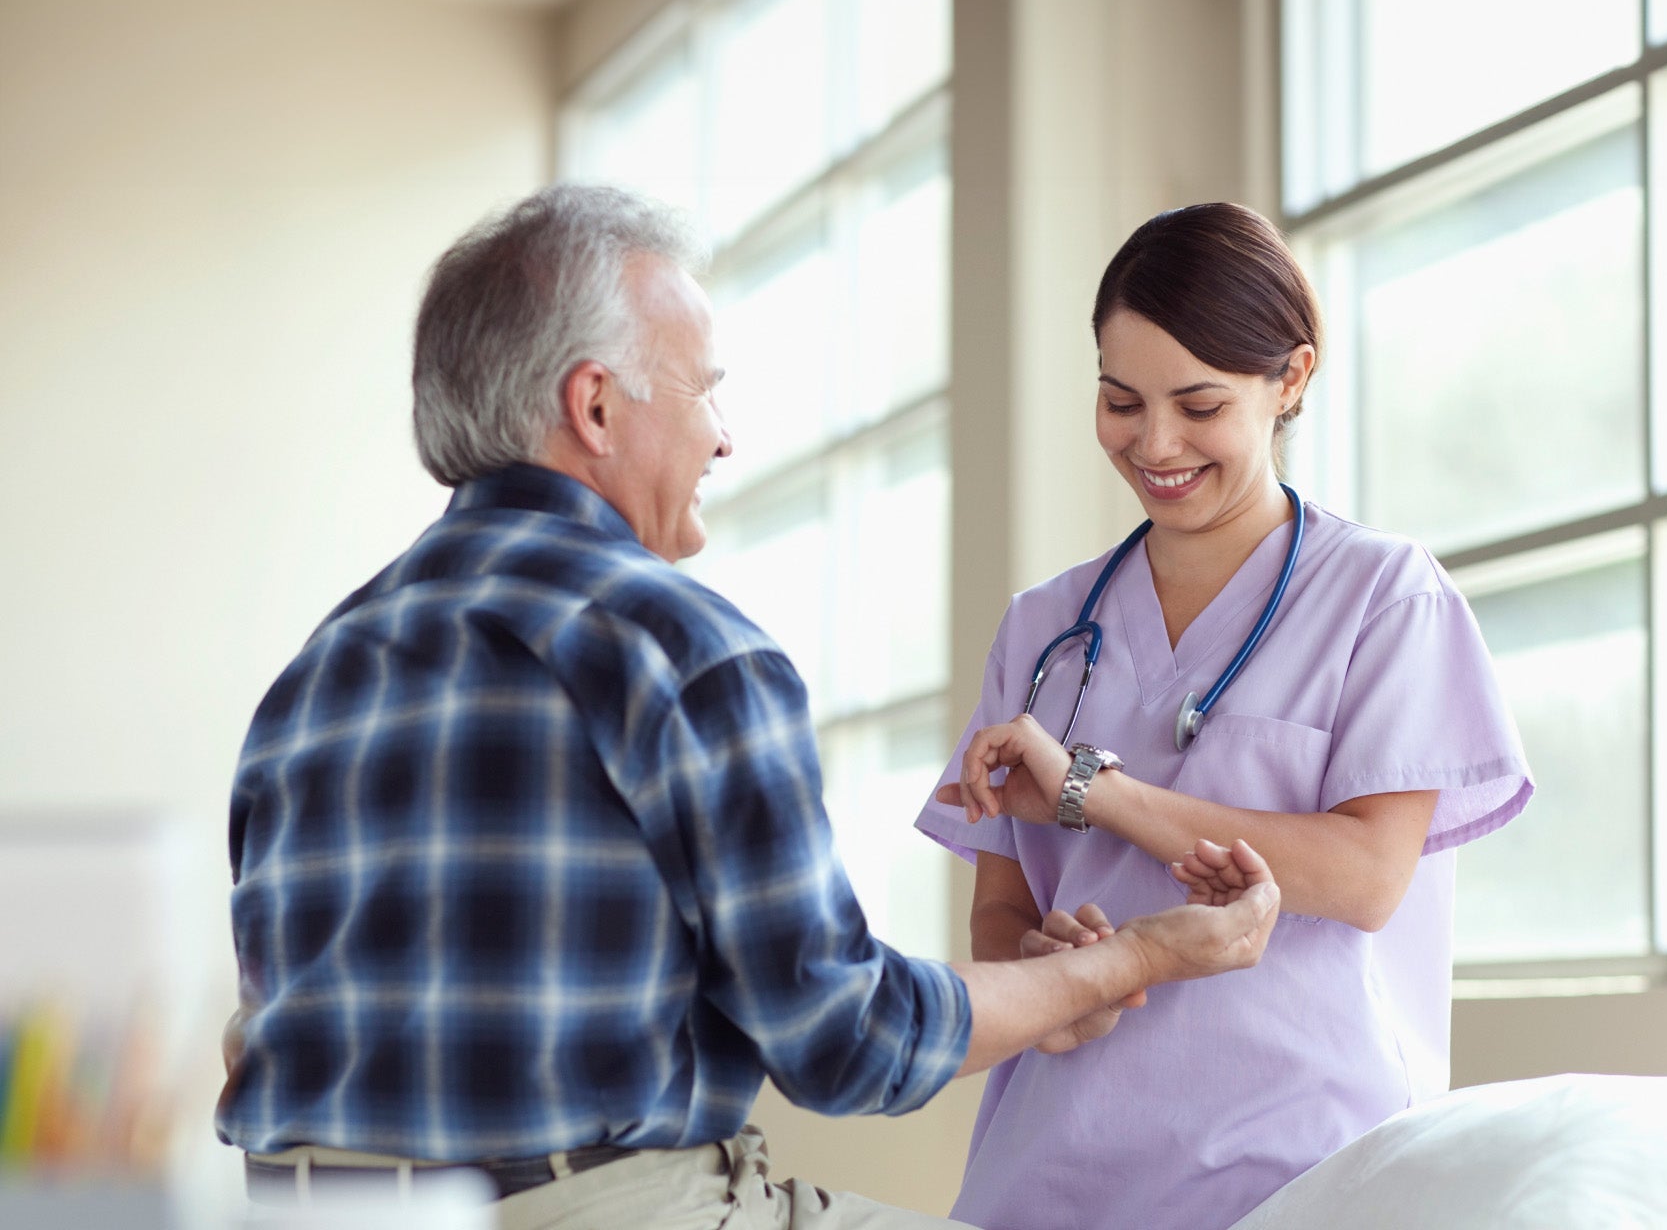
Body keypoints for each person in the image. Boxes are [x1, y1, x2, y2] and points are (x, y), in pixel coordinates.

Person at [215, 184, 1286, 1230]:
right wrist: (1139, 956)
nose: (724, 439)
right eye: (703, 391)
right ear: (594, 406)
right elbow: (844, 1039)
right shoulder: (675, 644)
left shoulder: (315, 677)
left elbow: (267, 1032)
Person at [915, 202, 1534, 1230]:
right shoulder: (1043, 626)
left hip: (1303, 1166)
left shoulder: (1384, 598)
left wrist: (1095, 791)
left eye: (1199, 405)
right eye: (1121, 400)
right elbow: (1001, 904)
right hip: (1054, 1173)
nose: (1155, 442)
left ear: (1289, 379)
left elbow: (1367, 875)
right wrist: (1044, 964)